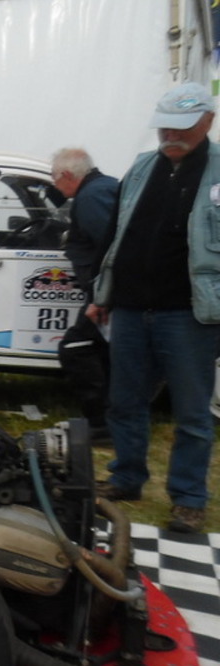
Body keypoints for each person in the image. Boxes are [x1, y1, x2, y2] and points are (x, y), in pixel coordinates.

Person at [88, 82, 220, 535]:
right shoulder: (143, 167)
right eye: (165, 126)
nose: (170, 135)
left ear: (208, 121)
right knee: (124, 401)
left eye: (181, 126)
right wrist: (101, 295)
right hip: (129, 309)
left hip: (189, 314)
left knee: (192, 413)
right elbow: (115, 233)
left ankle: (188, 499)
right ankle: (127, 477)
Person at [51, 147, 117, 435]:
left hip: (107, 293)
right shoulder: (105, 187)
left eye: (54, 178)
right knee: (103, 352)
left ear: (67, 174)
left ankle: (100, 423)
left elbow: (110, 250)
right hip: (109, 291)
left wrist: (103, 298)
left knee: (75, 348)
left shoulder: (90, 197)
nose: (55, 186)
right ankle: (113, 418)